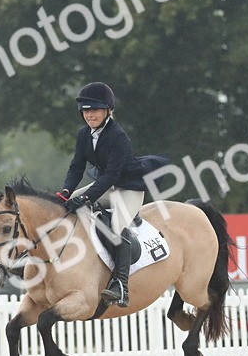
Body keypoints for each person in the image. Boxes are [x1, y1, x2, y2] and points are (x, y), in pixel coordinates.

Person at [56, 81, 167, 307]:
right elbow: (76, 167)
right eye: (86, 110)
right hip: (107, 186)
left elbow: (111, 175)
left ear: (108, 110)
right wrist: (66, 192)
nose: (90, 115)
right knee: (62, 208)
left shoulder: (117, 135)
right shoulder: (84, 134)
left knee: (116, 228)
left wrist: (86, 198)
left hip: (129, 188)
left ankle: (121, 286)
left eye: (95, 110)